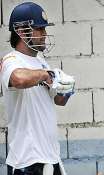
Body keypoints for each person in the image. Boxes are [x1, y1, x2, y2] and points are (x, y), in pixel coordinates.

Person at [0, 2, 74, 175]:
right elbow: (18, 79)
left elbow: (58, 100)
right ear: (21, 31)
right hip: (26, 162)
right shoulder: (10, 60)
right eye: (39, 29)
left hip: (51, 157)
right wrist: (46, 75)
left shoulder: (41, 62)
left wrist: (67, 89)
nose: (44, 34)